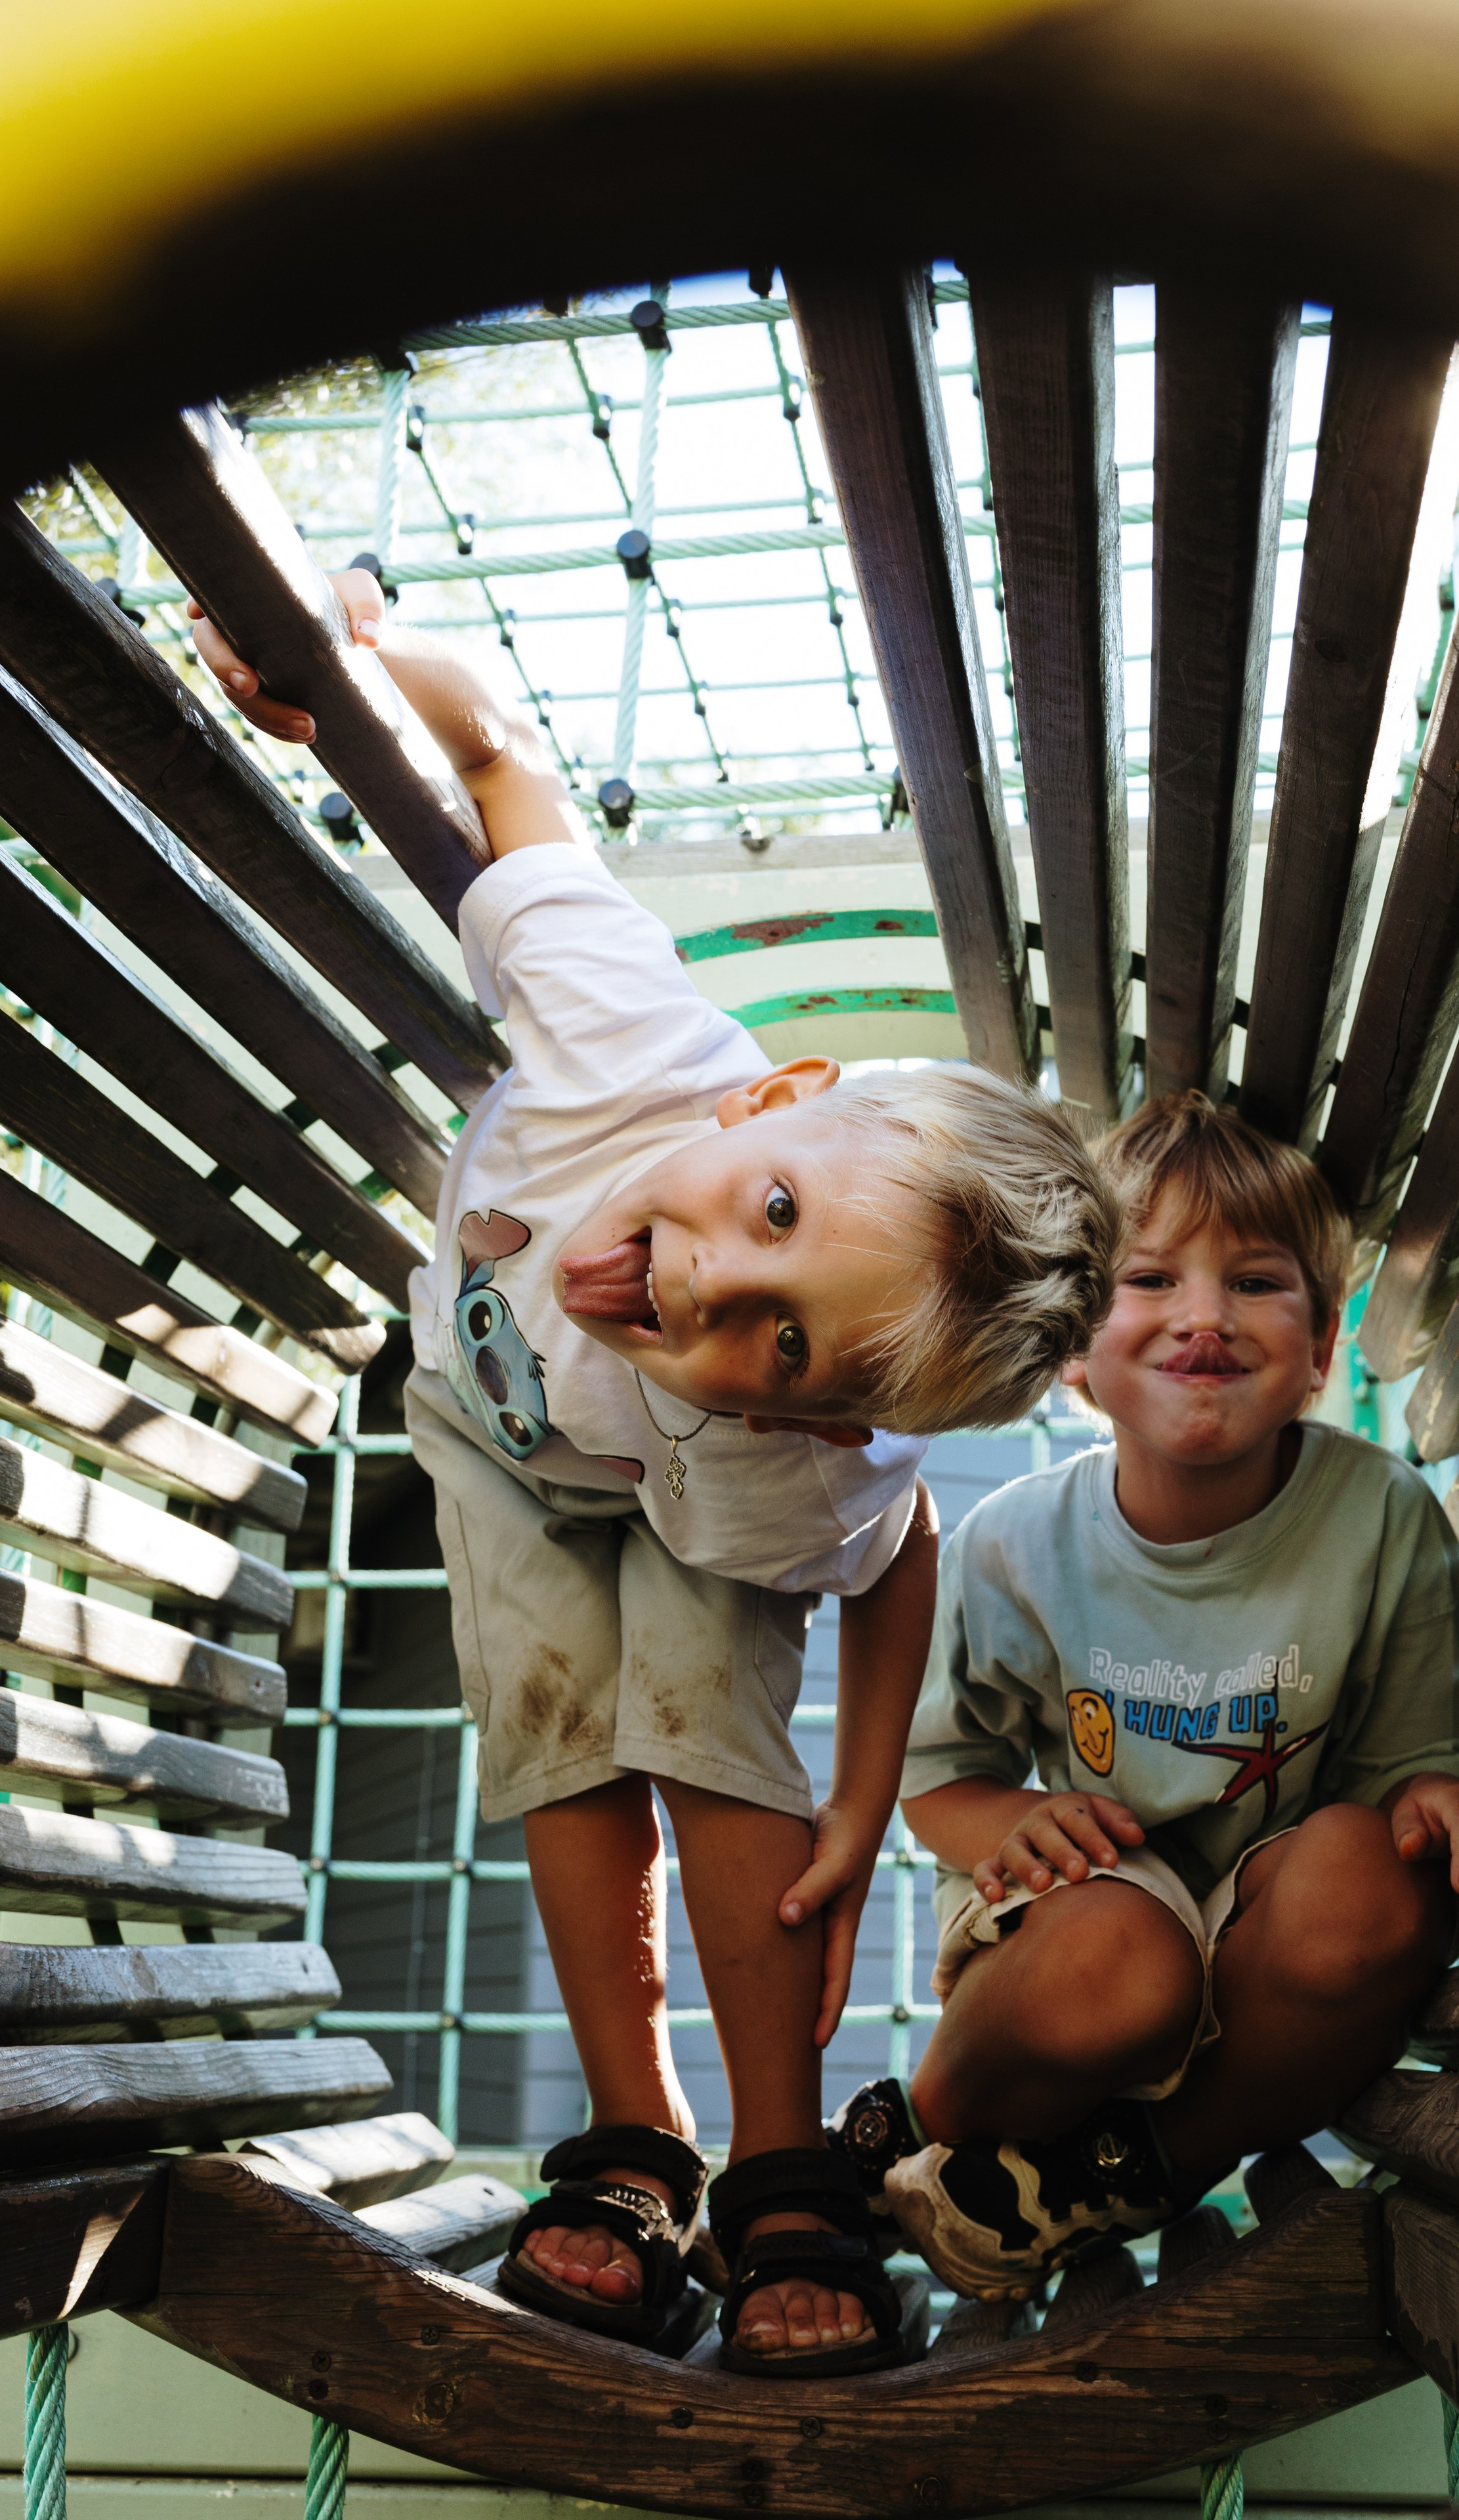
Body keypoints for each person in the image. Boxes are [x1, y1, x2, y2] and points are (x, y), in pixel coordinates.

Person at [191, 572, 1117, 2370]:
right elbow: (499, 756)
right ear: (777, 1098)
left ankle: (782, 2161)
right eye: (768, 1216)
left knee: (702, 1719)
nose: (705, 1281)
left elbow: (896, 1539)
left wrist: (858, 1812)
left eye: (776, 1334)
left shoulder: (783, 1456)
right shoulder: (630, 1042)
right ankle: (636, 2151)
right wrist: (351, 662)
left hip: (677, 1489)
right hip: (480, 1425)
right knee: (556, 1730)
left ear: (814, 1408)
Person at [828, 1090, 1459, 2299]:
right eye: (1150, 1279)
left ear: (1322, 1348)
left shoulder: (1383, 1522)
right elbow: (935, 1777)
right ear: (1072, 1351)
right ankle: (924, 2120)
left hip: (1267, 1928)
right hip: (1086, 1930)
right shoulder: (1015, 1544)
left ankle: (1125, 2170)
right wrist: (1008, 1821)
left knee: (1381, 1894)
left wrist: (1441, 1802)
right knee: (1127, 1955)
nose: (1204, 1316)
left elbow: (1412, 1776)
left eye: (1258, 1282)